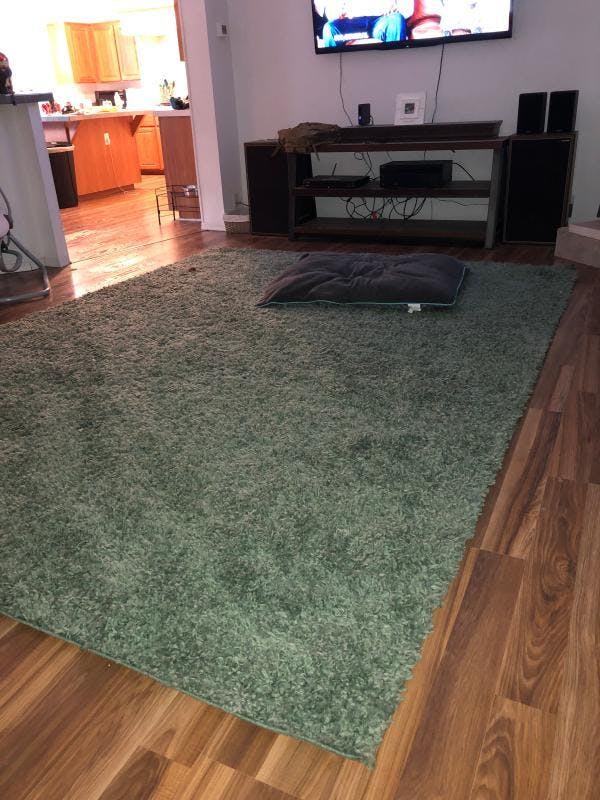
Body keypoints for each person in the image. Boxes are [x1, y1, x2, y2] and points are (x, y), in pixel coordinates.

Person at [315, 1, 415, 47]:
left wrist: (397, 7)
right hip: (349, 23)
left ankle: (396, 71)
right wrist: (335, 12)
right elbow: (325, 9)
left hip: (381, 19)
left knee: (396, 20)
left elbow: (408, 9)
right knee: (329, 29)